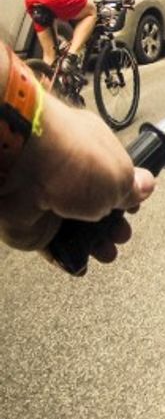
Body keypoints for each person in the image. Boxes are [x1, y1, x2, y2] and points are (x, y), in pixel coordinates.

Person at [0, 44, 155, 263]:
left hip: (37, 11)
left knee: (51, 40)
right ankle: (70, 58)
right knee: (91, 11)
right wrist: (48, 142)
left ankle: (53, 63)